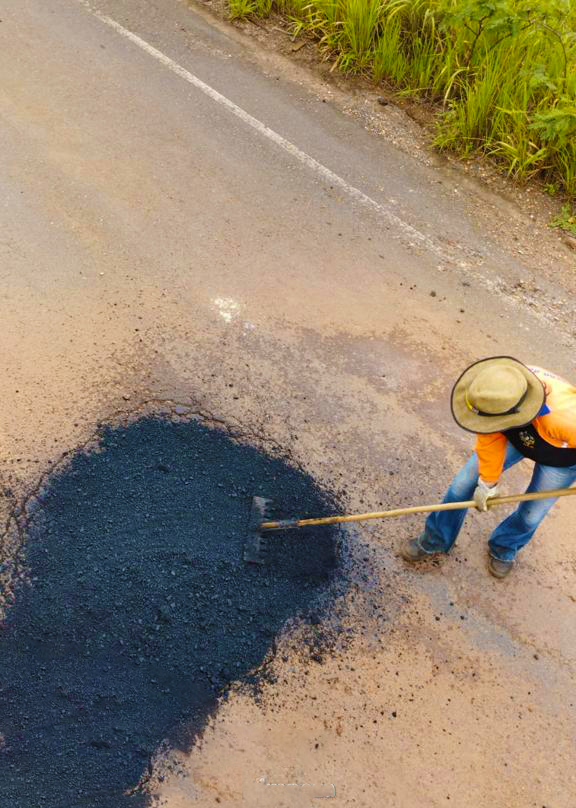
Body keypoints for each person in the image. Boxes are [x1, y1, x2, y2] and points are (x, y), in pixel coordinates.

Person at [401, 357, 576, 578]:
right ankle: (436, 539)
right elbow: (489, 440)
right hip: (515, 432)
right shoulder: (495, 393)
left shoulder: (569, 419)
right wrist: (488, 482)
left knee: (532, 513)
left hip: (561, 454)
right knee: (462, 484)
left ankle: (504, 546)